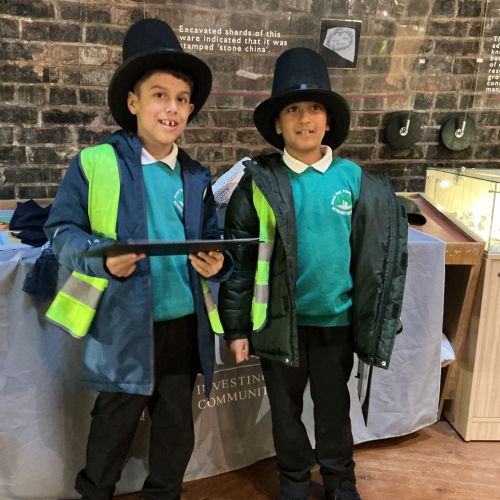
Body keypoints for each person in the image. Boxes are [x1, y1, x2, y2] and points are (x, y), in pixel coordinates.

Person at [44, 18, 231, 500]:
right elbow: (61, 231)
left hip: (184, 324)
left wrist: (218, 263)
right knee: (113, 423)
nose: (172, 108)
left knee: (175, 427)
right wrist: (101, 259)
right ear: (133, 102)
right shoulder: (95, 163)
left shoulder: (196, 176)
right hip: (124, 322)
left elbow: (211, 239)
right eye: (159, 95)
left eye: (182, 99)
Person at [219, 47, 408, 500]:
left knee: (333, 407)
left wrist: (377, 318)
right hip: (278, 323)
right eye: (292, 110)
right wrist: (237, 328)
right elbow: (239, 266)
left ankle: (341, 480)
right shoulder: (258, 184)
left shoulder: (355, 181)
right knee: (285, 412)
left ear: (329, 120)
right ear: (277, 123)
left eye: (315, 108)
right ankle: (295, 481)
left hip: (336, 323)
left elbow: (374, 260)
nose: (305, 119)